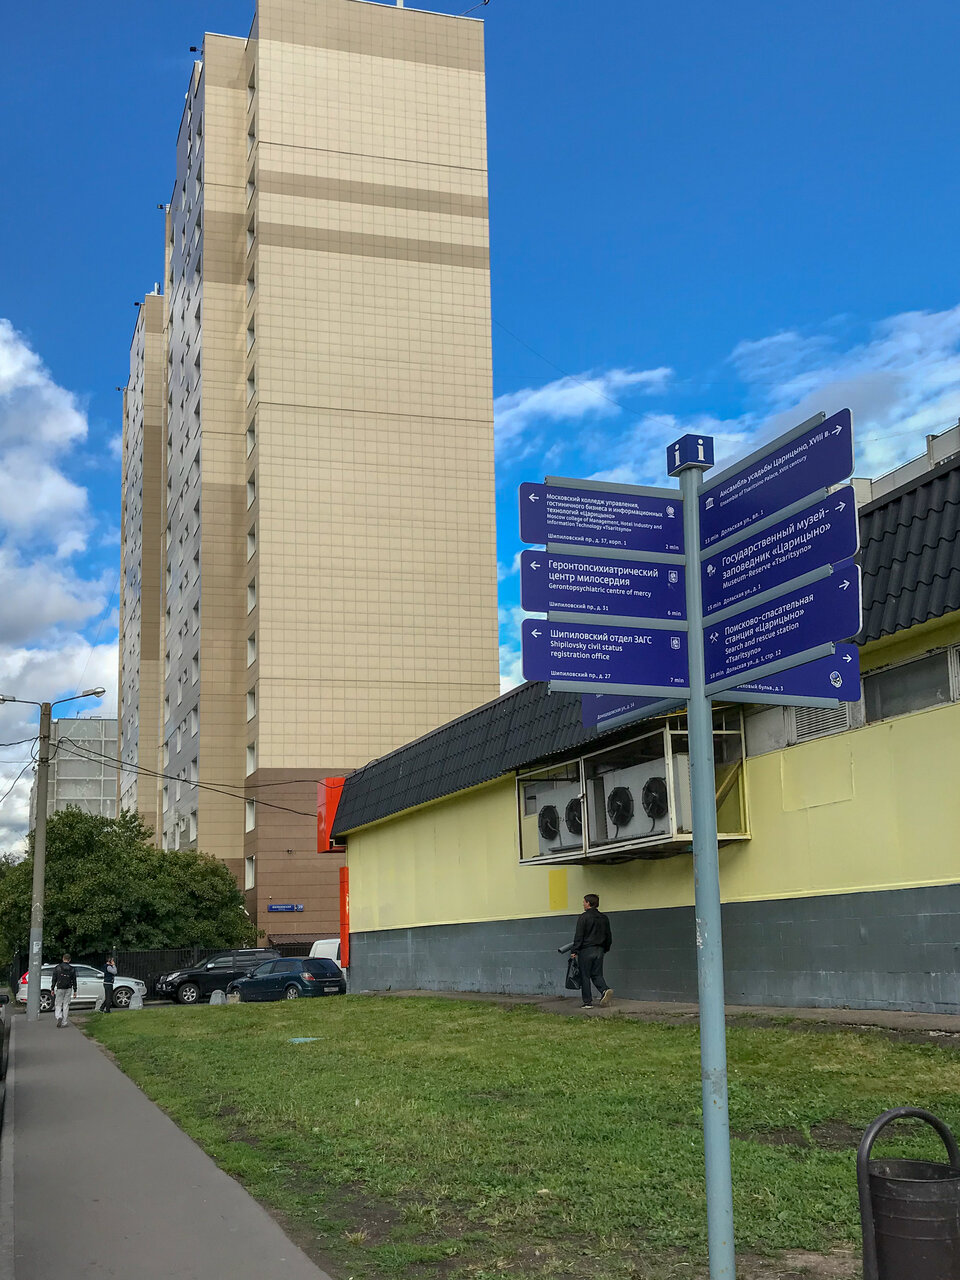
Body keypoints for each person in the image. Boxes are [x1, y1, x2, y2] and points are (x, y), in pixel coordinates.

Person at [570, 894, 613, 1009]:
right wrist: (605, 948)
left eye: (584, 902)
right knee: (597, 974)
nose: (583, 904)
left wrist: (575, 950)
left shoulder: (584, 917)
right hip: (600, 950)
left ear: (588, 903)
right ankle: (604, 990)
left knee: (585, 976)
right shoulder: (604, 918)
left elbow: (579, 935)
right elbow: (608, 935)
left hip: (586, 950)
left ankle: (587, 1002)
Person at [51, 953, 78, 1028]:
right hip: (68, 988)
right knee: (66, 1004)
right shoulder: (72, 969)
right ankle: (64, 1022)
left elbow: (54, 979)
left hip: (60, 987)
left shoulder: (57, 968)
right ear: (69, 960)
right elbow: (74, 980)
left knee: (58, 1004)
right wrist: (75, 990)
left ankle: (59, 1016)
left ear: (63, 958)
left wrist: (52, 988)